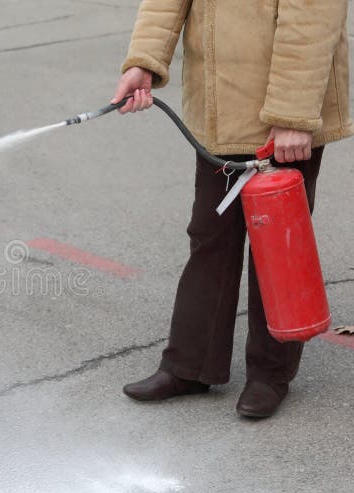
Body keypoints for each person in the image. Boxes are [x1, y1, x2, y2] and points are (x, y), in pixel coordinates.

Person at [112, 0, 352, 418]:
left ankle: (270, 374)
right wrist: (145, 61)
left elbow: (312, 18)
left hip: (283, 116)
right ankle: (190, 366)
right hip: (219, 107)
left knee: (277, 245)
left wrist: (292, 115)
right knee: (209, 237)